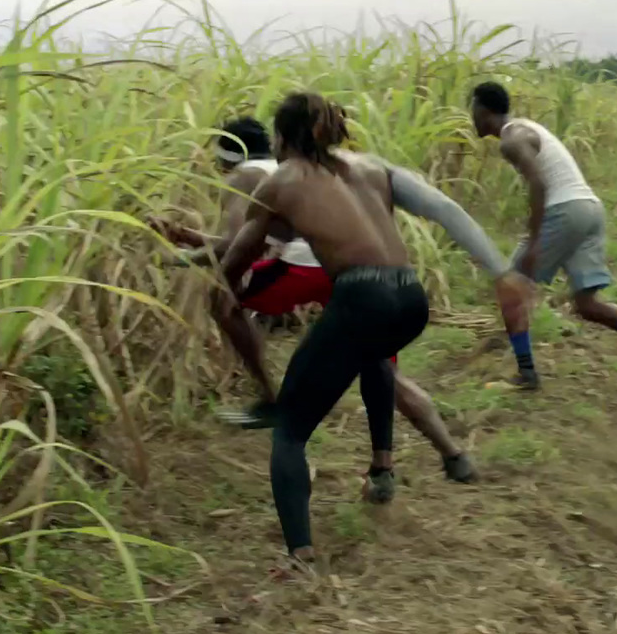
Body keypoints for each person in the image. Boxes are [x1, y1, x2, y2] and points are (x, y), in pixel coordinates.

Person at [215, 92, 533, 571]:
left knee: (290, 431)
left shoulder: (279, 181)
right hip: (409, 297)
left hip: (362, 295)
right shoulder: (369, 167)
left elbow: (235, 259)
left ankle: (300, 556)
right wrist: (500, 271)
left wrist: (223, 281)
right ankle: (386, 469)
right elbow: (444, 208)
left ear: (282, 137)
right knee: (373, 358)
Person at [155, 116, 512, 486]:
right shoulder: (323, 166)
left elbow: (234, 248)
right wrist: (188, 237)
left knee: (222, 303)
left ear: (224, 155)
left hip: (301, 267)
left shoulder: (244, 177)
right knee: (382, 368)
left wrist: (175, 259)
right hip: (361, 274)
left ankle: (270, 398)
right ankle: (446, 454)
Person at [469, 80, 617, 390]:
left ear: (482, 110)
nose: (469, 114)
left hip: (565, 210)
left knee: (510, 286)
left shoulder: (511, 140)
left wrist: (536, 239)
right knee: (585, 304)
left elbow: (538, 184)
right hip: (589, 209)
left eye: (471, 106)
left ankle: (526, 375)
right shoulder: (525, 127)